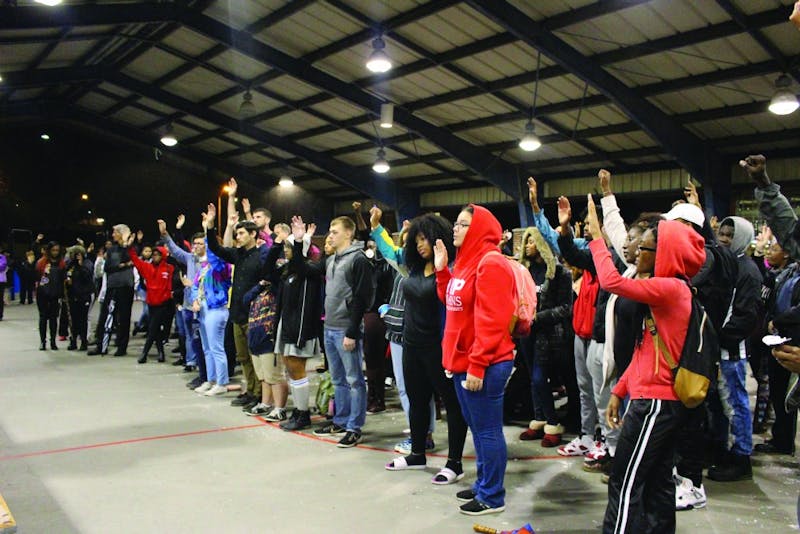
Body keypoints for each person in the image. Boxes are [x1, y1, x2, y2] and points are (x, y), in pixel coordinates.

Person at [585, 195, 706, 534]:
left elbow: (611, 282)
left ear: (664, 254)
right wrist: (620, 391)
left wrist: (597, 237)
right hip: (654, 399)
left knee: (625, 482)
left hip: (655, 404)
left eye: (646, 249)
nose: (637, 252)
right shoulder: (667, 292)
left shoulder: (670, 288)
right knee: (657, 483)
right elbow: (645, 350)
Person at [373, 208, 467, 485]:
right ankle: (417, 453)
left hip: (439, 347)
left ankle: (455, 462)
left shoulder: (451, 269)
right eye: (417, 240)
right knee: (416, 400)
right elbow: (391, 252)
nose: (420, 244)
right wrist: (377, 228)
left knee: (452, 404)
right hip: (411, 344)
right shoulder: (411, 266)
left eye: (425, 239)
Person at [434, 204, 516, 516]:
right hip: (463, 361)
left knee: (487, 431)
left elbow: (493, 321)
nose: (455, 228)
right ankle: (484, 484)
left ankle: (493, 496)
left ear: (480, 229)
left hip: (484, 362)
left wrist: (478, 364)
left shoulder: (490, 263)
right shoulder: (465, 264)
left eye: (464, 224)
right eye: (456, 223)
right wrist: (443, 270)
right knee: (478, 429)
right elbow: (451, 300)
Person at [705, 216, 761, 482]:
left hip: (731, 350)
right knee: (723, 404)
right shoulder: (727, 265)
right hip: (720, 348)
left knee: (736, 404)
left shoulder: (747, 271)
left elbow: (745, 316)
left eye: (729, 235)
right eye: (721, 233)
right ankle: (725, 450)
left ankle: (741, 457)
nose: (723, 239)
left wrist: (721, 339)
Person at [312, 216, 373, 448]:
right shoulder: (331, 259)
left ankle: (354, 427)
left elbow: (361, 297)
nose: (330, 235)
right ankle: (340, 419)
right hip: (329, 327)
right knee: (338, 380)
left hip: (346, 330)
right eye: (330, 231)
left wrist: (352, 331)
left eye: (335, 231)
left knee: (354, 379)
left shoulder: (358, 260)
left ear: (348, 234)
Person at [205, 203, 268, 405]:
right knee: (243, 357)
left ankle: (259, 393)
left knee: (255, 356)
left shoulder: (261, 257)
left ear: (253, 234)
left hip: (255, 315)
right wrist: (210, 227)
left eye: (241, 233)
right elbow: (215, 248)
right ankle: (250, 390)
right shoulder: (238, 255)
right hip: (237, 313)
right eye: (237, 233)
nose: (237, 237)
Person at [516, 226, 573, 447]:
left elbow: (566, 308)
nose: (526, 245)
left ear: (541, 244)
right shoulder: (526, 271)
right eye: (526, 242)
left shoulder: (560, 273)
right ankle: (539, 419)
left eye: (531, 241)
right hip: (526, 333)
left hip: (547, 335)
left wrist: (537, 317)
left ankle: (552, 423)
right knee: (533, 379)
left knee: (540, 379)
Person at [274, 216, 324, 431]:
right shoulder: (289, 273)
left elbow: (300, 263)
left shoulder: (311, 271)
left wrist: (300, 240)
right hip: (288, 325)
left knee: (297, 367)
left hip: (301, 328)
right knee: (289, 367)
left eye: (290, 248)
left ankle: (303, 414)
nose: (287, 252)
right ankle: (299, 410)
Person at [191, 207, 234, 397]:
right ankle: (210, 379)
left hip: (217, 309)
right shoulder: (204, 268)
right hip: (203, 310)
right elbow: (194, 286)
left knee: (216, 348)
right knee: (207, 348)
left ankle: (222, 382)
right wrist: (195, 301)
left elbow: (216, 254)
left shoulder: (220, 267)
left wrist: (209, 228)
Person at [88, 224, 135, 357]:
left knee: (124, 318)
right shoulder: (112, 249)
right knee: (105, 316)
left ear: (122, 234)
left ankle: (122, 347)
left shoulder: (130, 248)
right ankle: (101, 346)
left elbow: (129, 259)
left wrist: (125, 246)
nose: (113, 235)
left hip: (126, 286)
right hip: (112, 285)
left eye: (115, 232)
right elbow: (108, 267)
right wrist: (122, 265)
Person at [128, 236, 176, 364]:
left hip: (163, 304)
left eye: (157, 254)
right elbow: (135, 260)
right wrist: (130, 246)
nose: (155, 256)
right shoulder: (147, 268)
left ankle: (144, 353)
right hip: (151, 303)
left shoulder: (169, 268)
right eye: (153, 254)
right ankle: (161, 353)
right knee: (155, 329)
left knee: (152, 329)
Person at [35, 241, 65, 350]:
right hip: (42, 294)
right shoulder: (41, 262)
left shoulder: (61, 263)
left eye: (57, 250)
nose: (55, 252)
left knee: (53, 319)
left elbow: (63, 279)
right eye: (53, 250)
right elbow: (38, 277)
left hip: (55, 294)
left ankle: (53, 341)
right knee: (43, 318)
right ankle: (42, 342)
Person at [65, 246, 94, 351]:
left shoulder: (87, 264)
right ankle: (73, 341)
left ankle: (83, 342)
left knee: (83, 320)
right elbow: (66, 273)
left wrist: (81, 265)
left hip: (84, 295)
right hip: (73, 296)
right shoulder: (71, 265)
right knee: (73, 320)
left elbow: (87, 276)